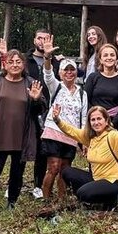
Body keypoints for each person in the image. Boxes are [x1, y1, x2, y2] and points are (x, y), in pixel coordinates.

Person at [0, 49, 48, 217]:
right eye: (11, 62)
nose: (15, 65)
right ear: (5, 65)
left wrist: (36, 99)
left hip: (21, 136)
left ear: (23, 64)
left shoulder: (31, 83)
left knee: (17, 172)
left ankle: (12, 202)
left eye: (18, 62)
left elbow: (40, 110)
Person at [55, 106, 118, 210]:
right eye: (93, 120)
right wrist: (57, 120)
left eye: (99, 119)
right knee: (66, 172)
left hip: (113, 182)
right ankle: (94, 197)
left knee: (82, 193)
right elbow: (71, 131)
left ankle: (112, 200)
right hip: (96, 179)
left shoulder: (112, 136)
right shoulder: (90, 138)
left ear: (106, 120)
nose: (96, 122)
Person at [40, 36, 88, 202]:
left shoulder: (82, 93)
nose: (69, 72)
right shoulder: (56, 86)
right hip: (53, 132)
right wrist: (47, 57)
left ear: (76, 72)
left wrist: (84, 140)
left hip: (72, 135)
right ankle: (46, 199)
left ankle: (61, 199)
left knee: (65, 169)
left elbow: (83, 117)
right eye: (65, 70)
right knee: (53, 167)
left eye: (72, 70)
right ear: (60, 72)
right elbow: (47, 74)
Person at [25, 29, 53, 198]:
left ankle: (38, 185)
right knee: (23, 146)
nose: (42, 41)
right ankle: (15, 182)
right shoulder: (25, 60)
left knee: (43, 149)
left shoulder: (55, 60)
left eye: (46, 38)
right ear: (34, 40)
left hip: (48, 109)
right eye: (39, 38)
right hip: (28, 107)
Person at [84, 43, 118, 130]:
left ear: (116, 59)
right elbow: (86, 100)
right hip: (95, 123)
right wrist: (97, 118)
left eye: (112, 55)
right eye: (105, 55)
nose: (109, 57)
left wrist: (112, 124)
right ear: (101, 60)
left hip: (114, 125)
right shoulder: (93, 78)